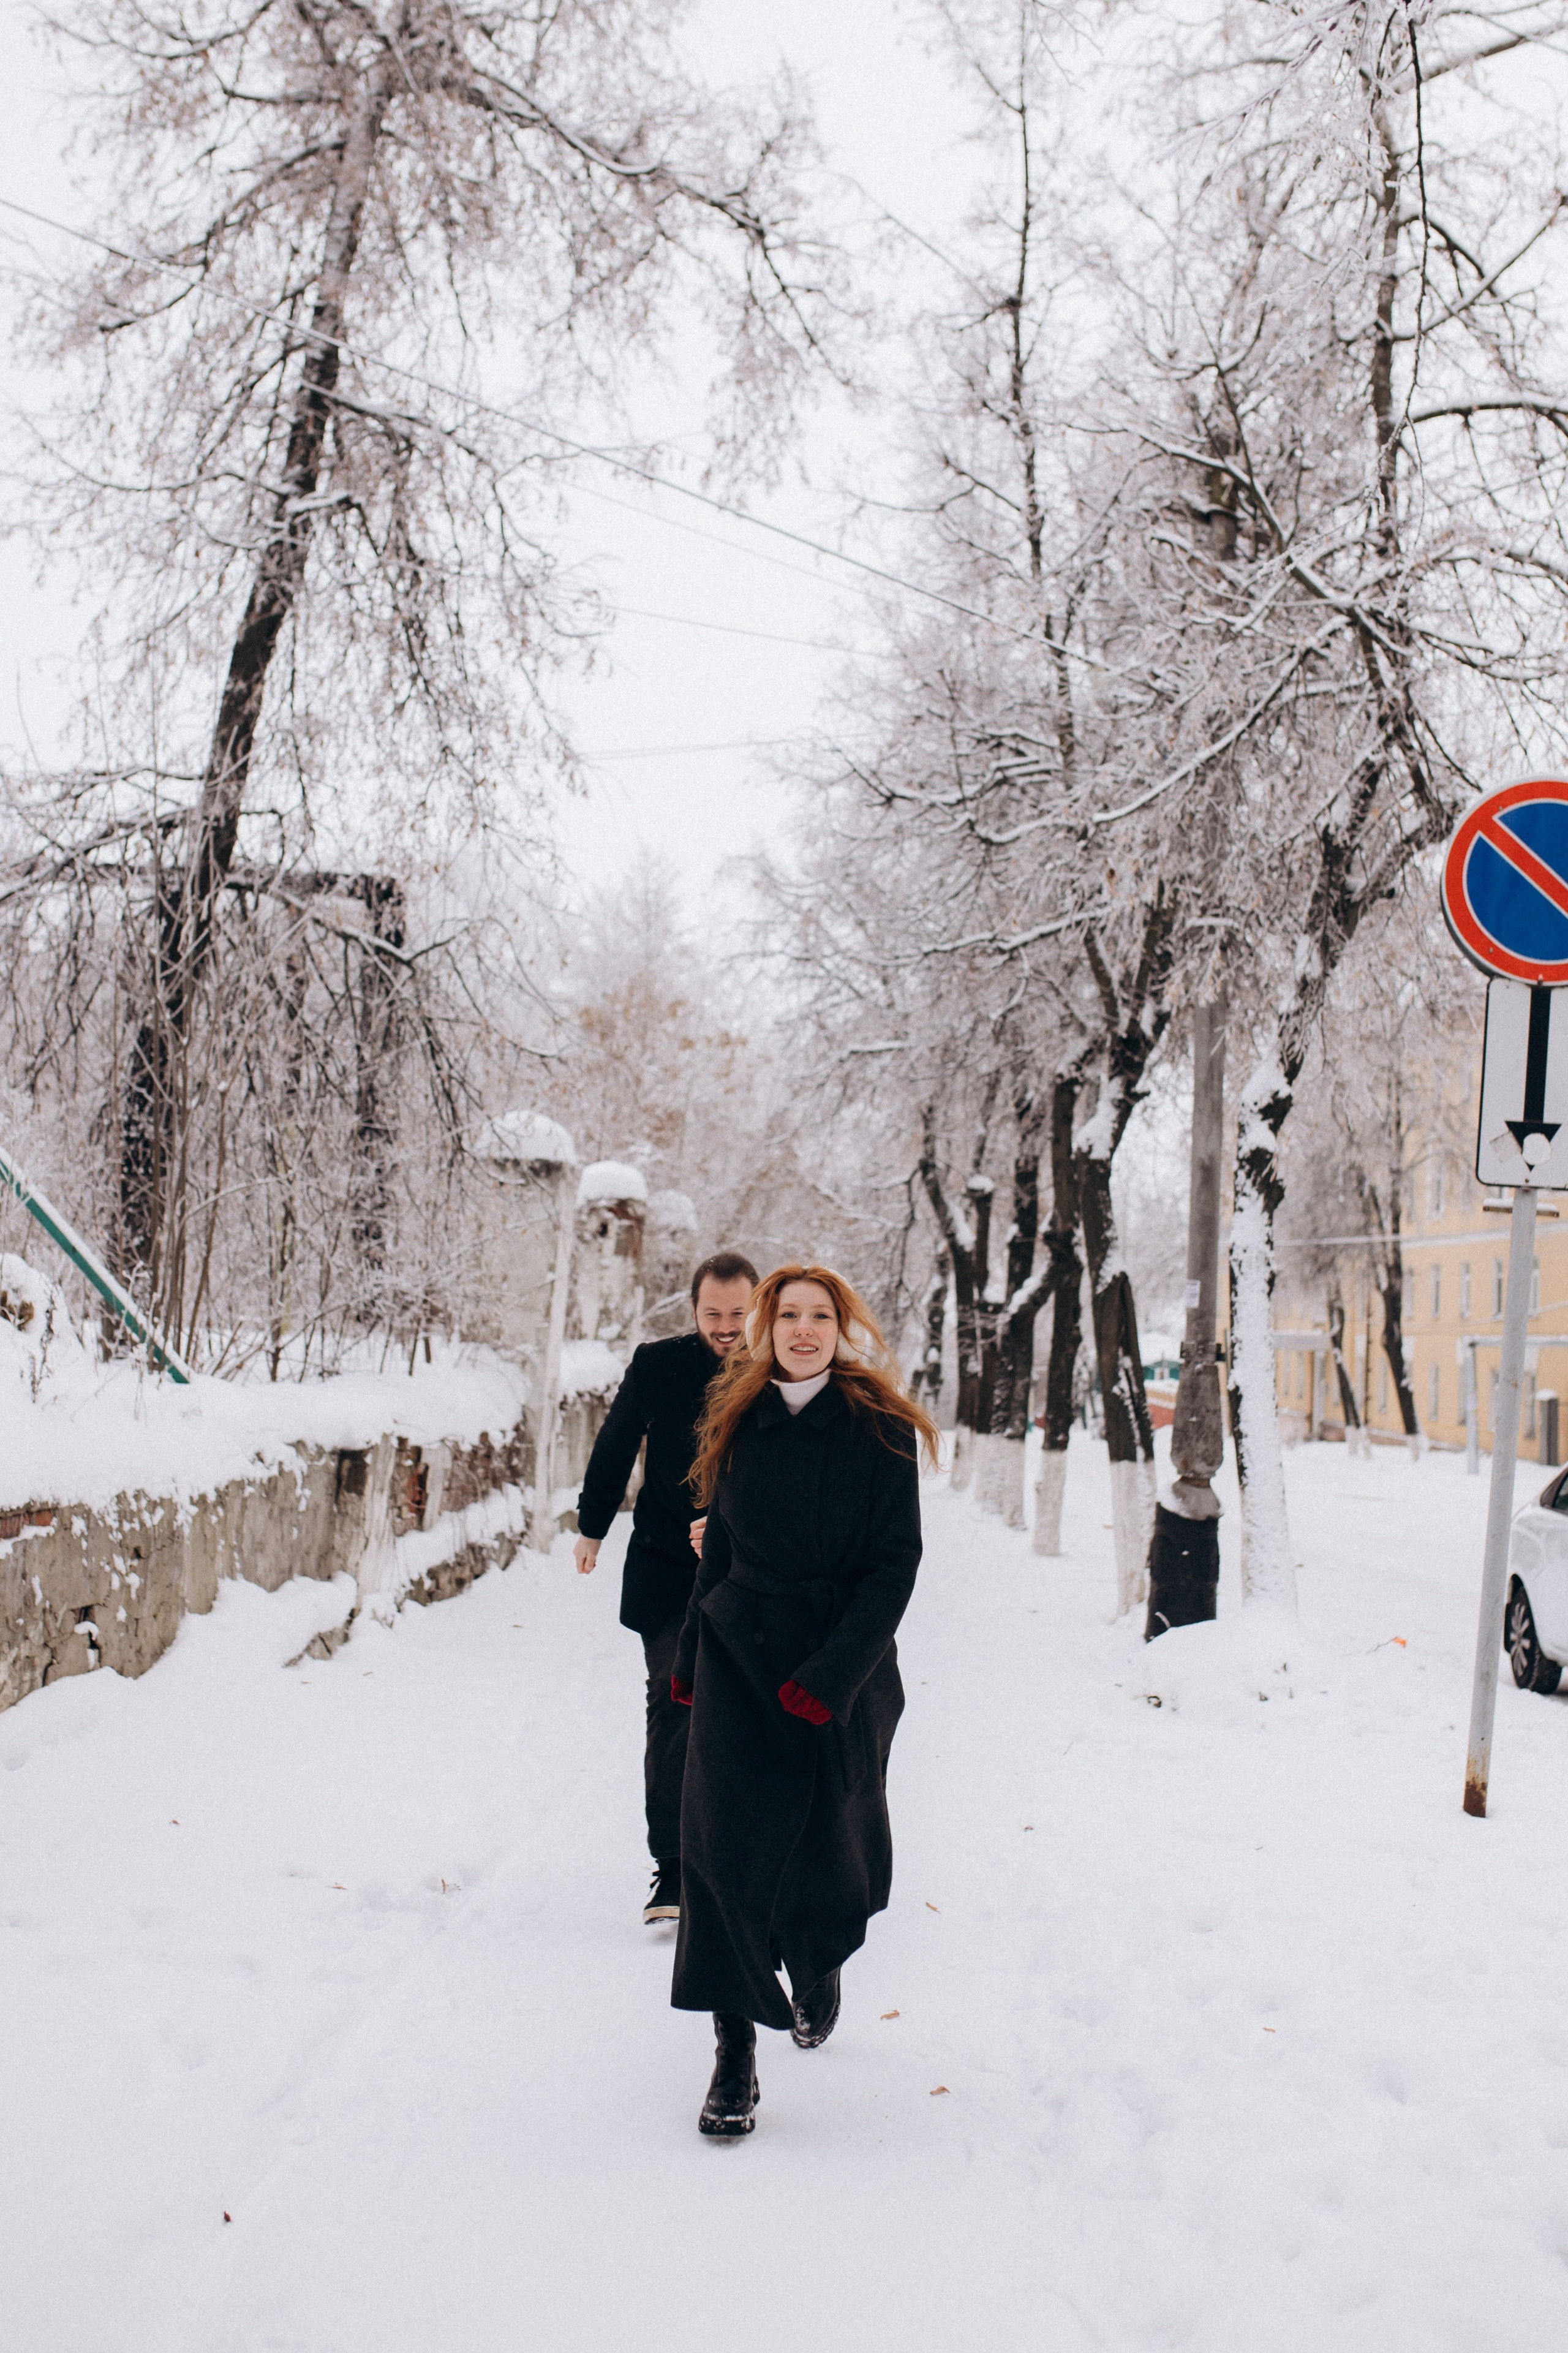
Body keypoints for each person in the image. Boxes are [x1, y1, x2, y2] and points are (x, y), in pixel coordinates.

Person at [668, 1263, 940, 2139]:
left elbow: (894, 1566)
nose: (803, 1329)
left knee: (833, 1847)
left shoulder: (880, 1429)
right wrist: (688, 1655)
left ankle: (819, 1963)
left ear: (841, 1325)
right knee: (721, 1849)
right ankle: (734, 2055)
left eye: (820, 1315)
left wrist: (832, 1678)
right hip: (740, 1659)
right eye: (788, 1314)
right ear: (766, 1326)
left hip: (840, 1670)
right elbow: (723, 1547)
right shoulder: (740, 1417)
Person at [574, 1250, 760, 1925]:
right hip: (665, 1567)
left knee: (742, 1710)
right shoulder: (658, 1365)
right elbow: (616, 1442)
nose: (727, 1326)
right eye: (713, 1313)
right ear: (694, 1310)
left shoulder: (775, 1372)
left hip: (751, 1572)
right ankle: (675, 1869)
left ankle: (739, 1855)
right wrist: (592, 1526)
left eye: (739, 1313)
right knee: (672, 1698)